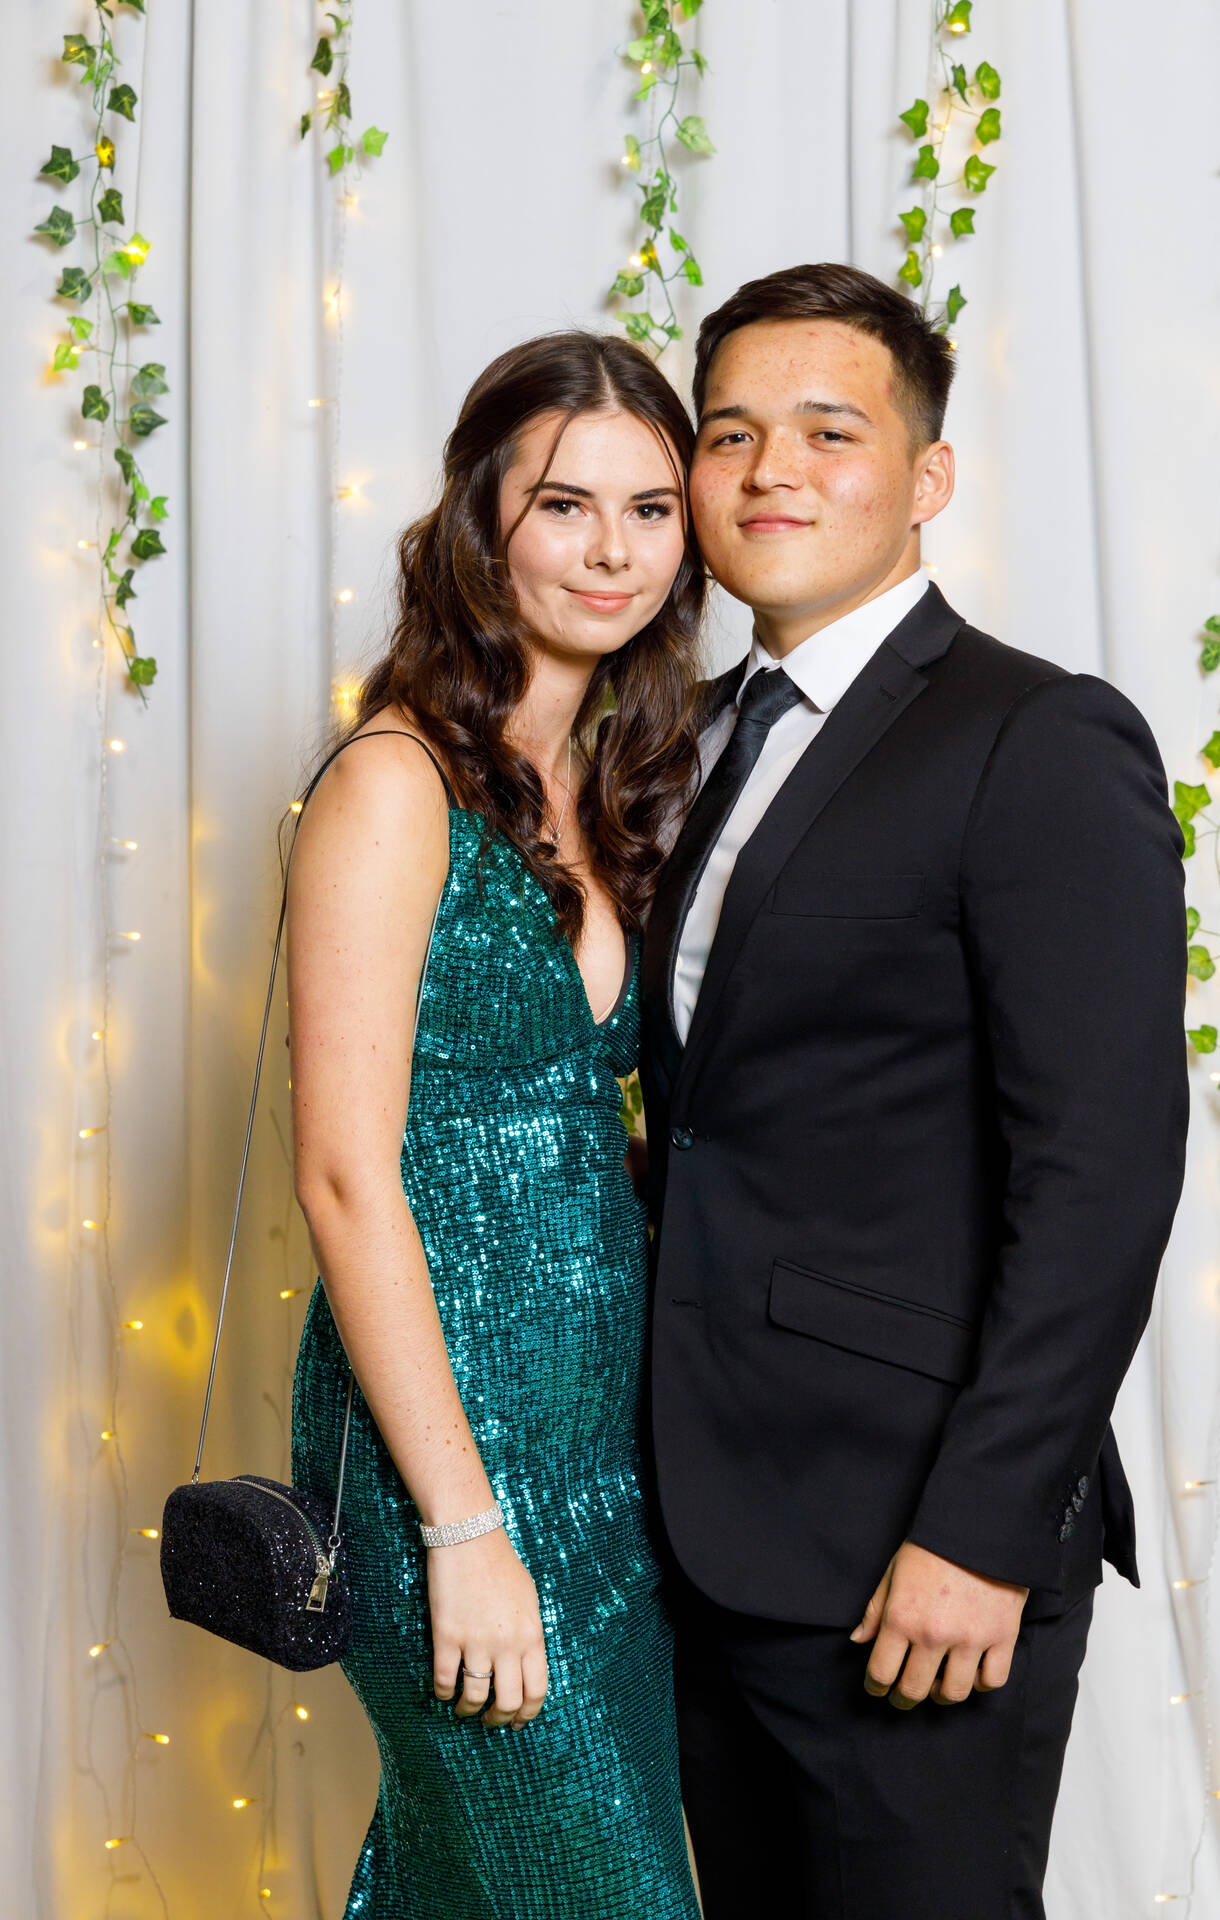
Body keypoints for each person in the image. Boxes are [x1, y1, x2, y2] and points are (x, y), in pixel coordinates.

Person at [638, 262, 1190, 1919]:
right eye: (729, 433)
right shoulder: (686, 741)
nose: (771, 472)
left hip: (911, 1544)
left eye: (829, 431)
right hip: (702, 1530)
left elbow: (1101, 1175)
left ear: (927, 475)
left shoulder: (1040, 737)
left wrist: (983, 1530)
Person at [286, 330, 705, 1918]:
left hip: (605, 1460)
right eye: (564, 505)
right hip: (444, 1462)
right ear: (483, 522)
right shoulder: (397, 783)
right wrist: (462, 1525)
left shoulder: (607, 782)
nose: (612, 551)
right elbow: (346, 1177)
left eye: (650, 509)